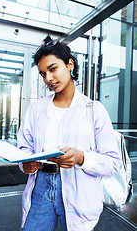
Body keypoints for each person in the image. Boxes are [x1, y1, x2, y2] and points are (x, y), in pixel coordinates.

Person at [17, 35, 121, 231]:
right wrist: (26, 163)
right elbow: (24, 147)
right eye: (42, 74)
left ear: (70, 64)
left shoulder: (94, 110)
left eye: (53, 69)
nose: (48, 78)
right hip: (40, 186)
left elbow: (112, 164)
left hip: (78, 190)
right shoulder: (36, 109)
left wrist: (82, 158)